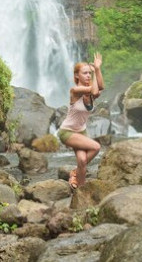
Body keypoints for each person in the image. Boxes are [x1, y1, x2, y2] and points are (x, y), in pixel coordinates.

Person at [57, 52, 104, 189]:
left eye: (90, 73)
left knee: (83, 160)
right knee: (96, 147)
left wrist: (98, 69)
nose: (88, 76)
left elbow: (100, 87)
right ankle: (75, 172)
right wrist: (95, 72)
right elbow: (95, 91)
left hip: (81, 132)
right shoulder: (75, 91)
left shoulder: (90, 94)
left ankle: (80, 189)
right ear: (77, 76)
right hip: (67, 132)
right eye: (85, 73)